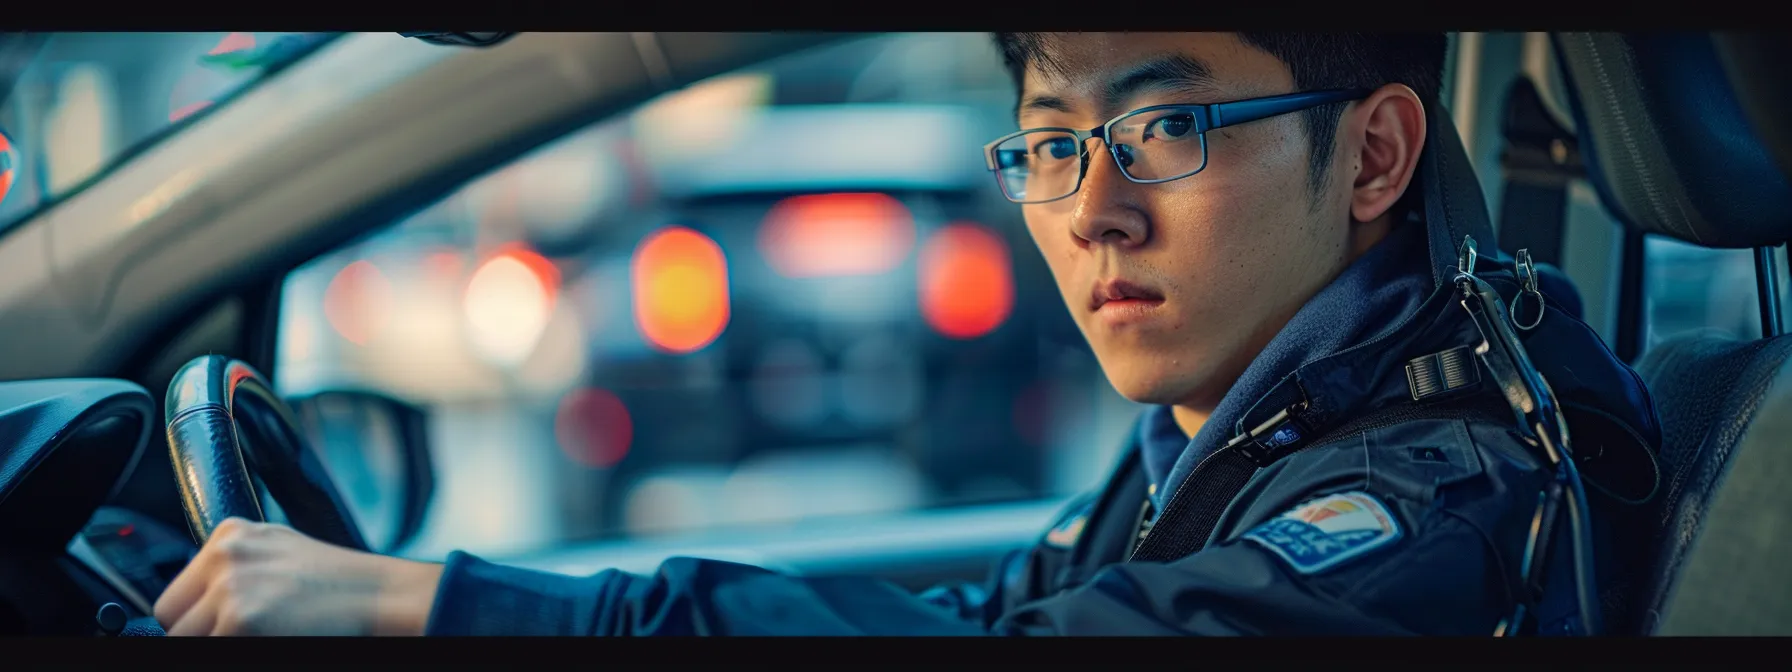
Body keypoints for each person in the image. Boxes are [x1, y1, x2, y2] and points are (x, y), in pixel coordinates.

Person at [152, 31, 1660, 636]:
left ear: (1380, 158)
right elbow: (986, 608)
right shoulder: (1244, 430)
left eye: (1170, 124)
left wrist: (430, 608)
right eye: (1051, 141)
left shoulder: (1431, 502)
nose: (1092, 210)